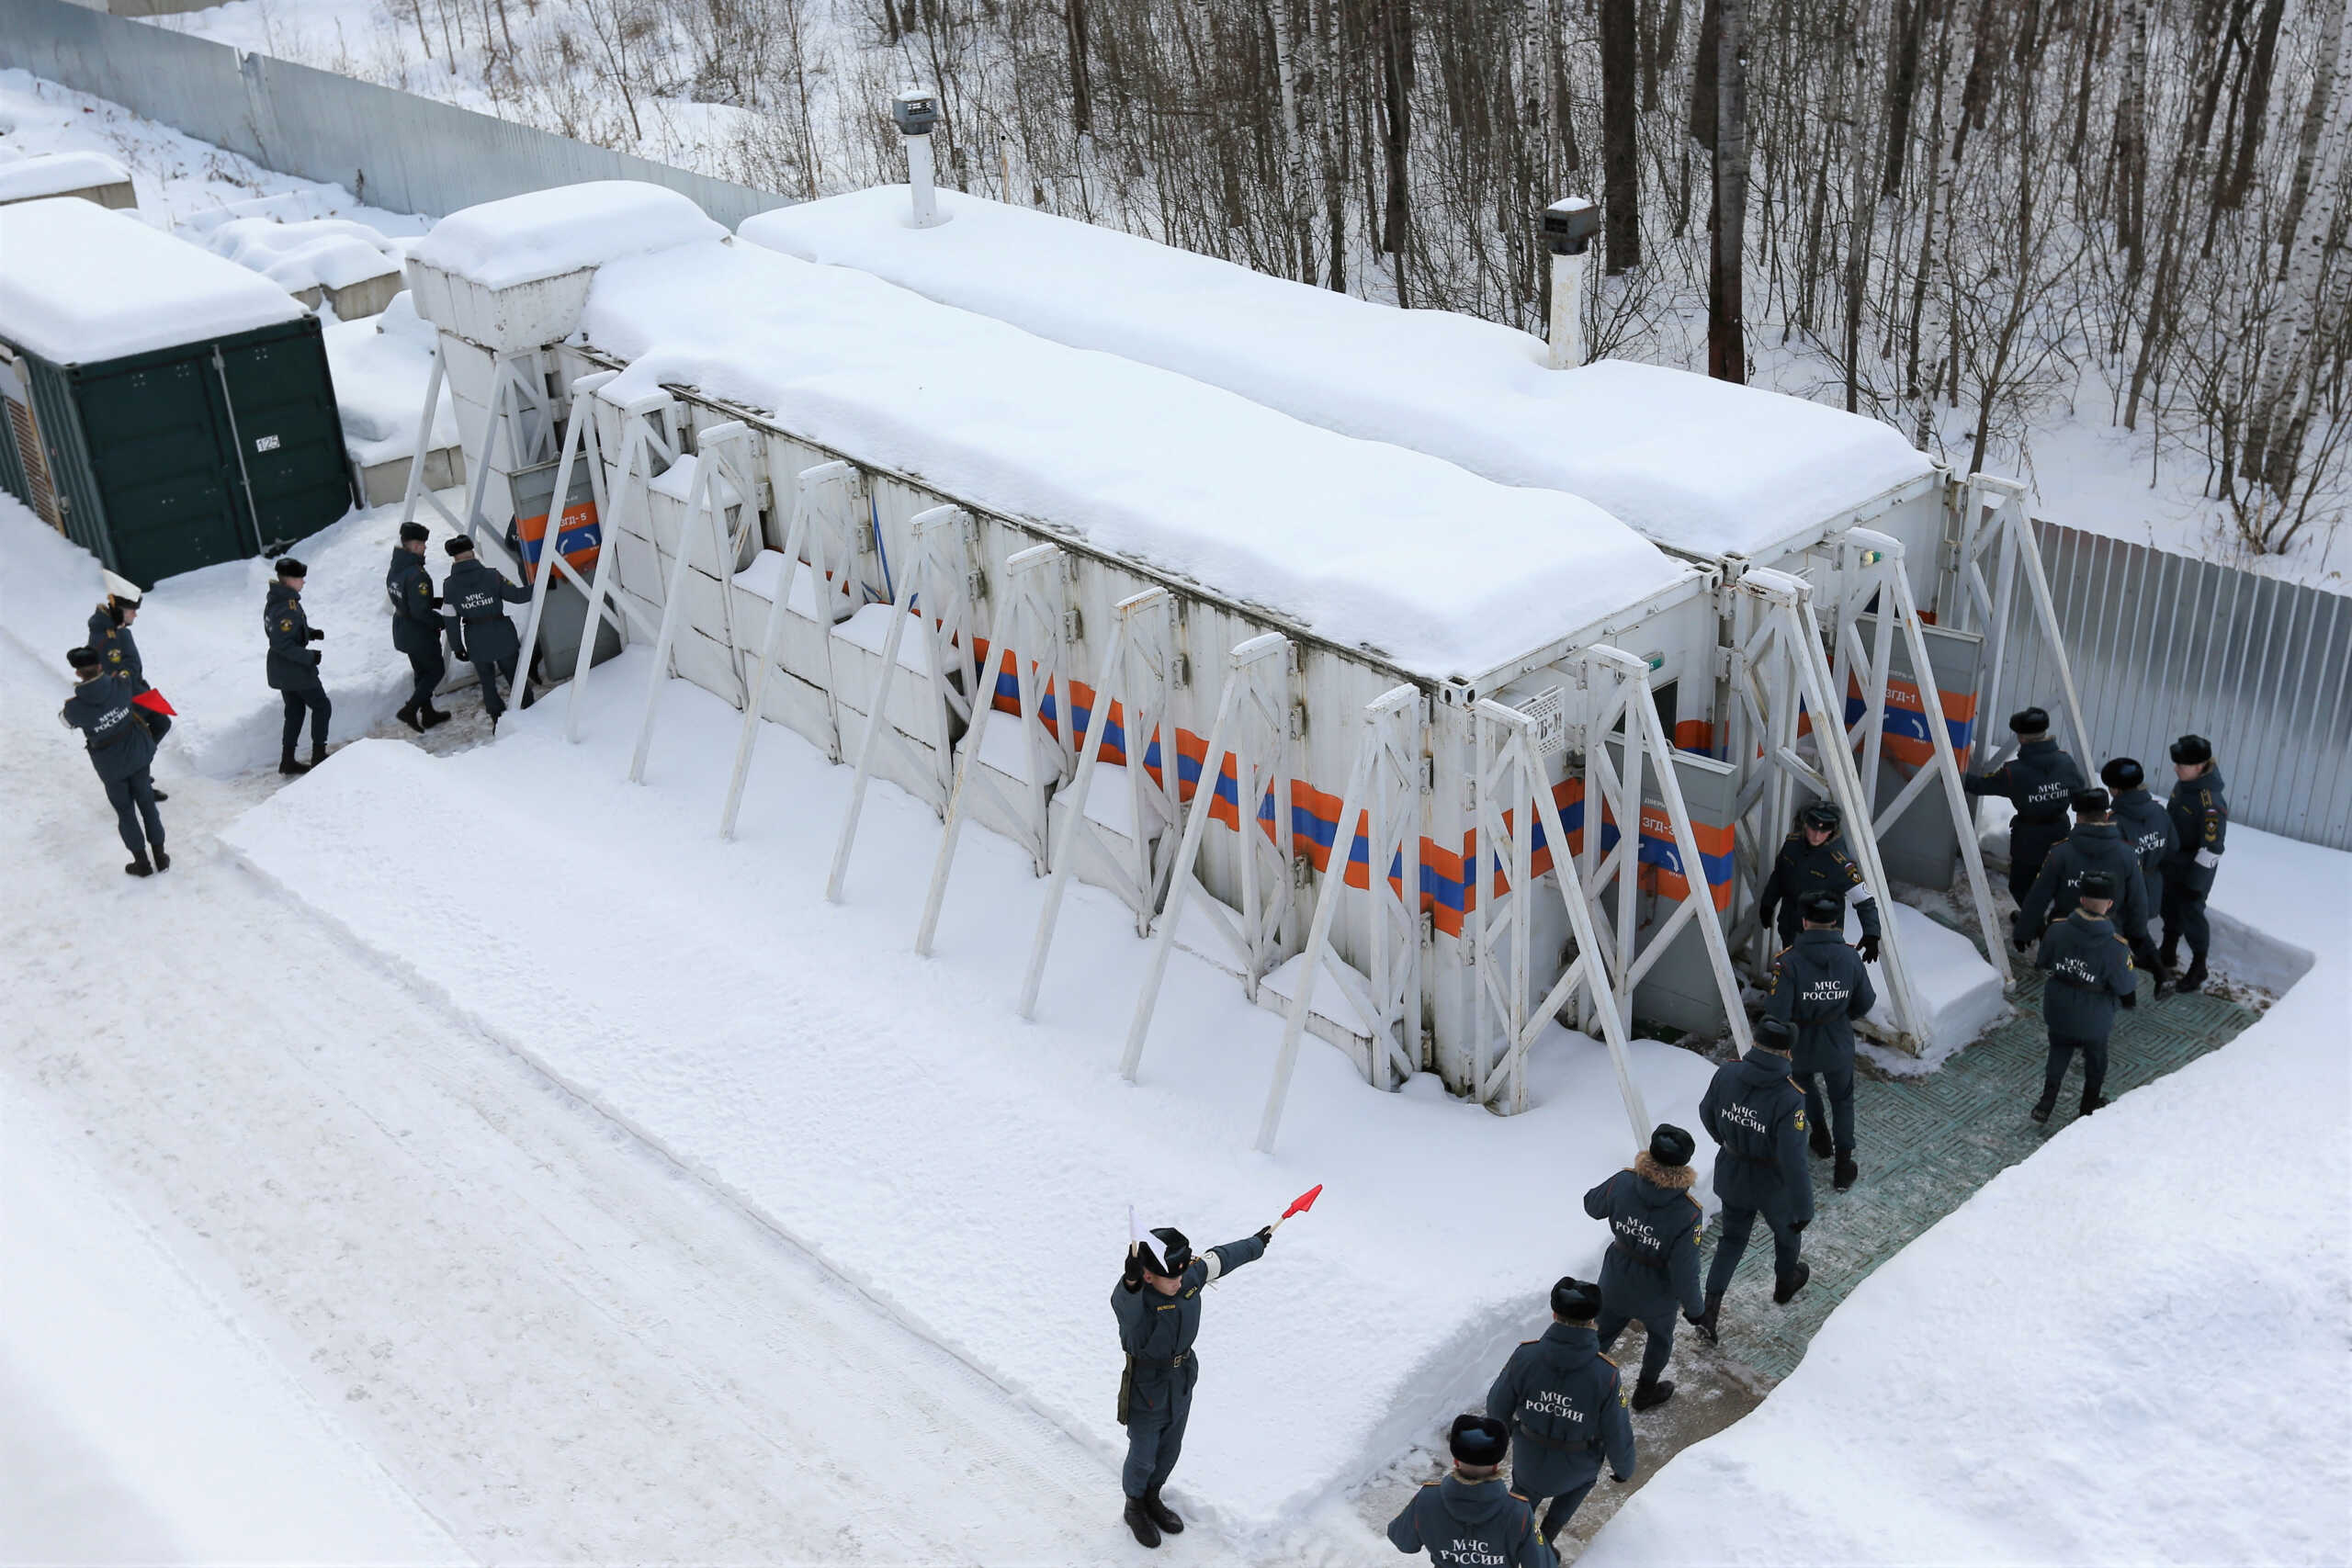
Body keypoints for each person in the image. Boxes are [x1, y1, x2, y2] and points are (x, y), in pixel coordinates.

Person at [1113, 1221, 1272, 1548]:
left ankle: (1152, 1497)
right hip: (1147, 1386)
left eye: (1182, 1274)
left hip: (1182, 1378)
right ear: (1147, 1275)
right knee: (1143, 1455)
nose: (1179, 1282)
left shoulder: (1185, 1278)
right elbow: (1123, 1304)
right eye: (1171, 1277)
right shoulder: (1137, 1302)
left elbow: (1220, 1259)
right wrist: (1129, 1282)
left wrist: (1257, 1243)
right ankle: (1135, 1506)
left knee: (1170, 1449)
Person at [1484, 1279, 1635, 1547]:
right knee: (1577, 1488)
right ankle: (1546, 1541)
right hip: (1577, 1468)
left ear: (1554, 1314)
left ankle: (1509, 1540)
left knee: (1522, 1496)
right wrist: (1623, 1468)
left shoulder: (1525, 1356)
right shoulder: (1606, 1375)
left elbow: (1497, 1404)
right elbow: (1617, 1430)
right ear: (1593, 1320)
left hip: (1528, 1458)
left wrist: (1504, 1431)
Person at [1695, 1016, 1814, 1337]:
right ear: (1787, 1053)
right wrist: (1805, 1208)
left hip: (1733, 1172)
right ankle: (1784, 1283)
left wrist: (1730, 1143)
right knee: (1788, 1233)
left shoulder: (1727, 1073)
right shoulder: (1791, 1098)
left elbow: (1706, 1113)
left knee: (1731, 1241)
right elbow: (1793, 1161)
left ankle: (1710, 1312)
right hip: (1772, 1183)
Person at [1578, 1127, 1705, 1410]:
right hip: (1658, 1293)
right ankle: (1645, 1392)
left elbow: (1591, 1205)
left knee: (1599, 1335)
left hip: (1615, 1279)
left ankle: (1577, 1385)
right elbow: (1685, 1271)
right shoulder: (1688, 1212)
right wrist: (1696, 1311)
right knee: (1660, 1340)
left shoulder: (1623, 1182)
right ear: (1684, 1164)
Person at [1765, 892, 1877, 1193]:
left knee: (1804, 1087)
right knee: (1843, 1099)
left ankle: (1820, 1136)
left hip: (1801, 1042)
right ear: (1834, 923)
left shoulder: (1788, 963)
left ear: (1804, 921)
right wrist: (1839, 1015)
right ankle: (1843, 1164)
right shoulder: (1850, 957)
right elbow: (1865, 1002)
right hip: (1838, 1040)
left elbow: (1777, 1013)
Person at [2032, 870, 2139, 1122]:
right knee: (2096, 1060)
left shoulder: (2056, 930)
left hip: (2058, 1008)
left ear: (2081, 900)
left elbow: (2043, 961)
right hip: (2095, 1018)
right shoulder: (2116, 947)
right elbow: (2125, 986)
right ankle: (2088, 1105)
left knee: (2058, 1051)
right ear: (2110, 904)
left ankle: (2046, 1103)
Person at [2014, 789, 2159, 972]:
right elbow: (2138, 900)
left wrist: (2023, 932)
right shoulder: (2127, 855)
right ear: (2107, 816)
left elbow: (2038, 897)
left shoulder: (2061, 853)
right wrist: (2137, 935)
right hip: (2109, 935)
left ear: (2078, 817)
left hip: (2064, 935)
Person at [1385, 1415, 1558, 1568]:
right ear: (1496, 1465)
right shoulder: (1518, 1511)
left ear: (1455, 1461)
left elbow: (1403, 1542)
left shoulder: (1427, 1499)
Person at [59, 647, 167, 876]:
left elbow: (66, 722)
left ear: (78, 674)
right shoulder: (121, 685)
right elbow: (127, 676)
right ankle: (160, 856)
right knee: (147, 804)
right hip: (137, 756)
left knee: (125, 811)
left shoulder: (74, 707)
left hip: (111, 767)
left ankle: (142, 863)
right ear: (100, 666)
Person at [1964, 707, 2087, 905]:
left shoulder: (2014, 772)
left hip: (2028, 840)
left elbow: (1979, 786)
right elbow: (2081, 795)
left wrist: (1951, 775)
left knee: (2021, 886)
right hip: (2060, 834)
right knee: (2054, 880)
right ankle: (2049, 921)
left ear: (2021, 738)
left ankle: (2034, 925)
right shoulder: (2066, 762)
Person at [1753, 799, 1882, 961]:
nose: (1816, 836)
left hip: (1823, 939)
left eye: (1824, 831)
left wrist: (1871, 934)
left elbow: (1864, 900)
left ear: (1832, 831)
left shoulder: (1839, 863)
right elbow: (1779, 876)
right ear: (1805, 824)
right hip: (1790, 928)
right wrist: (1768, 903)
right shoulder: (1792, 845)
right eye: (1813, 829)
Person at [86, 573, 170, 796]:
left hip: (135, 696)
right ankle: (139, 782)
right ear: (119, 610)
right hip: (127, 701)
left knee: (156, 728)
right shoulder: (111, 637)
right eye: (132, 609)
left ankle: (138, 778)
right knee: (145, 738)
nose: (135, 614)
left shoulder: (112, 632)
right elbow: (119, 673)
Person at [441, 536, 535, 728]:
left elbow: (450, 620)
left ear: (454, 559)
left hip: (475, 639)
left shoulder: (449, 586)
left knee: (487, 680)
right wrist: (541, 585)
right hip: (502, 634)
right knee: (515, 676)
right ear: (472, 553)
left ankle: (497, 718)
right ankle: (529, 708)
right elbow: (517, 597)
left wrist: (457, 647)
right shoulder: (493, 576)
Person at [2161, 735, 2228, 993]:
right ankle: (2167, 951)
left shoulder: (2210, 803)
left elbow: (2213, 847)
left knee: (2191, 913)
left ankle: (2198, 967)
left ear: (2200, 766)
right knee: (2170, 906)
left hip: (2194, 866)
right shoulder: (2183, 786)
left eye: (2182, 764)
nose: (2176, 768)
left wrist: (2196, 883)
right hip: (2174, 861)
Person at [264, 557, 331, 775]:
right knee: (321, 706)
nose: (303, 582)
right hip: (295, 669)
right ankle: (319, 755)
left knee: (294, 711)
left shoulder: (278, 600)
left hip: (283, 669)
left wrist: (310, 633)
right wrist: (309, 657)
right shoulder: (286, 606)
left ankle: (287, 760)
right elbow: (281, 642)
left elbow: (286, 631)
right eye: (300, 578)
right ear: (289, 580)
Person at [388, 522, 452, 732]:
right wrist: (442, 621)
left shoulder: (396, 567)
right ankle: (410, 710)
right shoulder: (417, 574)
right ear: (412, 545)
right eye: (421, 544)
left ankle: (428, 714)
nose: (425, 547)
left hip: (403, 629)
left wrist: (433, 601)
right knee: (435, 670)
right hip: (419, 632)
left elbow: (406, 599)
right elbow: (420, 612)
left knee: (421, 672)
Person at [2101, 757, 2175, 919]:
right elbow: (2173, 849)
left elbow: (2108, 866)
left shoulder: (2114, 823)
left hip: (2123, 900)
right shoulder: (2160, 812)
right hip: (2152, 892)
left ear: (2115, 790)